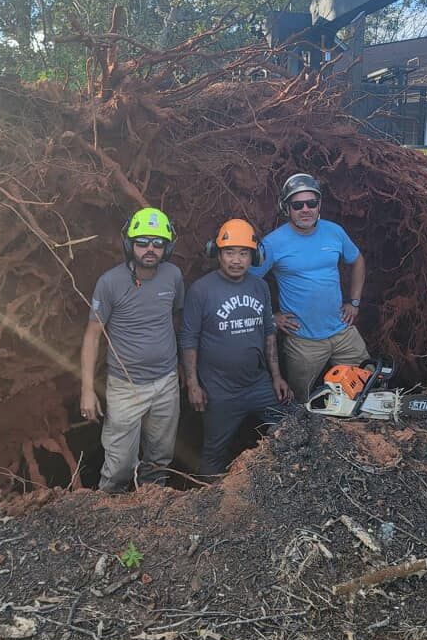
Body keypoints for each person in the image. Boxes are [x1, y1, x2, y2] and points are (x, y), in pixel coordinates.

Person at [80, 207, 184, 493]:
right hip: (125, 387)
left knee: (160, 456)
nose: (150, 249)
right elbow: (92, 337)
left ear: (167, 247)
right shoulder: (110, 283)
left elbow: (174, 317)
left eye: (158, 243)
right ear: (130, 244)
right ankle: (110, 511)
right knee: (120, 464)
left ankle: (153, 509)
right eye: (142, 242)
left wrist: (178, 366)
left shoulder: (173, 276)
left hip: (166, 383)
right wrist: (87, 390)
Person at [181, 218, 292, 478]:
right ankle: (210, 503)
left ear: (254, 257)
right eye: (229, 252)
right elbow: (189, 338)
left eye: (244, 253)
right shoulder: (201, 290)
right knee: (214, 452)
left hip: (258, 384)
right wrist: (193, 384)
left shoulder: (260, 287)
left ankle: (284, 485)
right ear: (217, 253)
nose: (236, 260)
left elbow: (268, 334)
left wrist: (276, 377)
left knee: (291, 427)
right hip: (219, 391)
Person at [251, 172, 368, 403]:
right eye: (297, 205)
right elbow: (247, 282)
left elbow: (357, 260)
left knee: (364, 386)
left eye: (311, 203)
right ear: (287, 208)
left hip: (342, 331)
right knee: (301, 401)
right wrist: (271, 317)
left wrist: (354, 302)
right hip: (303, 341)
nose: (305, 209)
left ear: (319, 205)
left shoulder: (334, 231)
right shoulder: (273, 243)